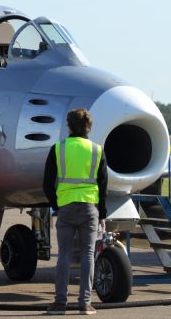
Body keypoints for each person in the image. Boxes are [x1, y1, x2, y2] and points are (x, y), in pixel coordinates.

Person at [42, 108, 108, 315]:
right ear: (89, 127)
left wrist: (56, 205)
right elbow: (104, 185)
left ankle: (60, 303)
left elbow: (46, 183)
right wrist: (103, 213)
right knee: (89, 255)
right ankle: (85, 303)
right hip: (90, 208)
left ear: (69, 126)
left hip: (66, 207)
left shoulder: (58, 149)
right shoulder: (97, 150)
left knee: (64, 254)